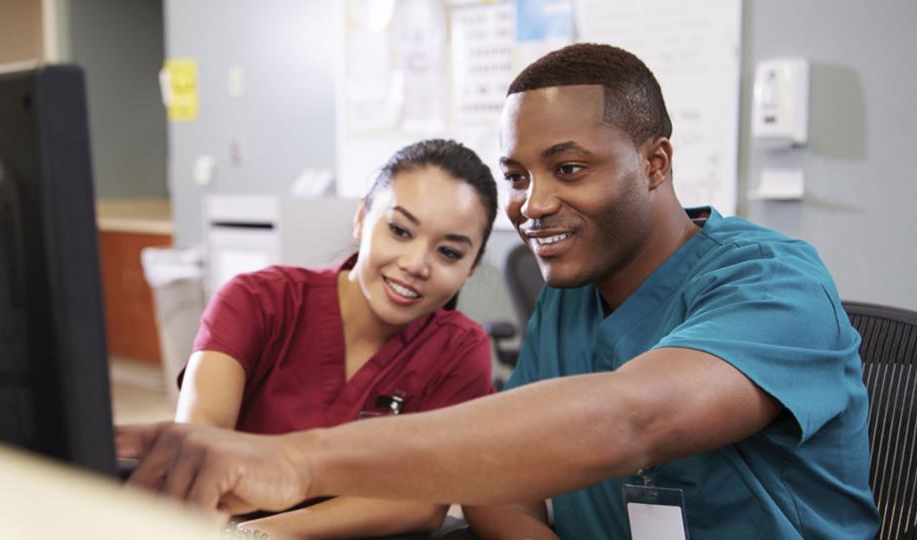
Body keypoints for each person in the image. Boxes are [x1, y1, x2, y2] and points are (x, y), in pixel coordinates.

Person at [118, 44, 879, 539]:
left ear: (655, 163)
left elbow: (630, 420)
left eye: (568, 169)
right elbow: (499, 484)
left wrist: (304, 462)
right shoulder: (572, 302)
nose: (532, 202)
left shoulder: (774, 284)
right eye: (518, 176)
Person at [172, 138, 499, 538]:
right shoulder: (258, 301)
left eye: (448, 252)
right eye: (399, 230)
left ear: (472, 266)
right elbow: (199, 443)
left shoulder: (460, 350)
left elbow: (423, 502)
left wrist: (264, 535)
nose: (415, 264)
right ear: (362, 218)